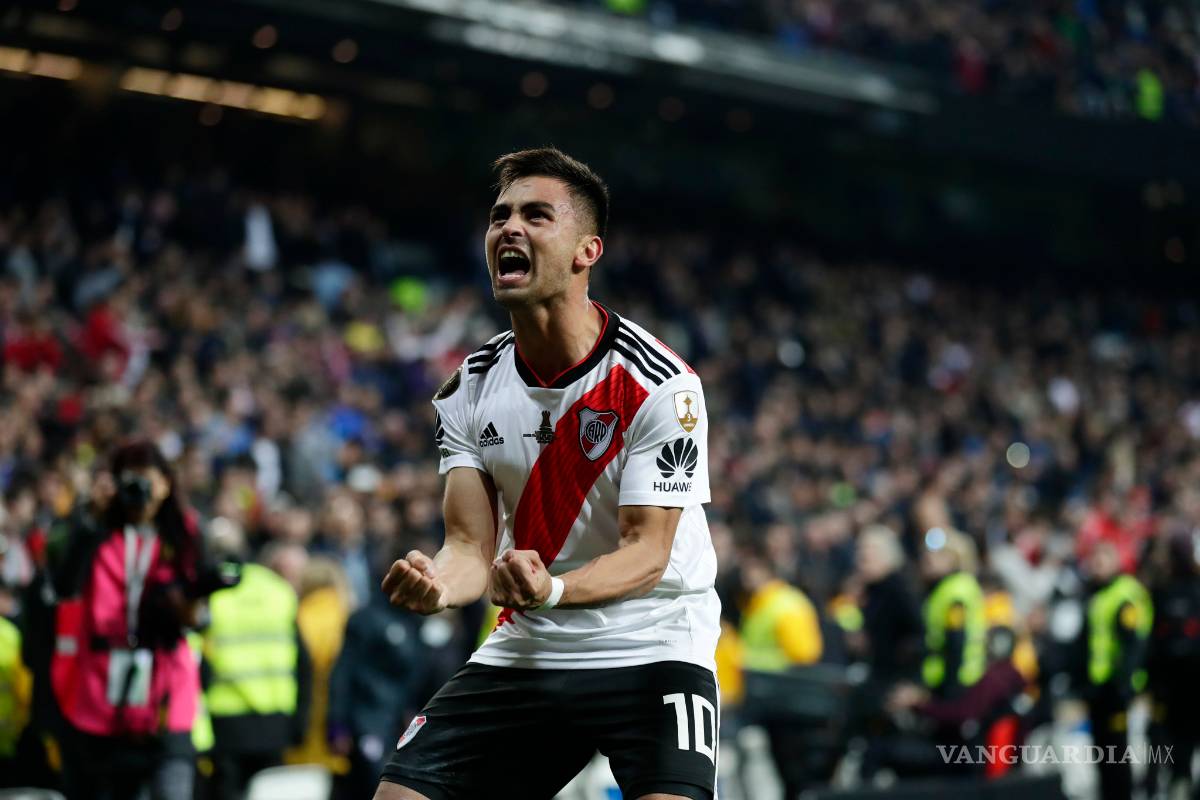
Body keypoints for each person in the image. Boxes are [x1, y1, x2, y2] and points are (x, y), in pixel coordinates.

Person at [375, 148, 720, 800]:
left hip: (653, 639)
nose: (510, 227)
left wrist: (552, 590)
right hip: (534, 643)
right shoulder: (468, 388)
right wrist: (438, 585)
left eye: (536, 216)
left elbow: (648, 553)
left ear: (586, 251)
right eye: (500, 215)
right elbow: (471, 548)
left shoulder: (658, 385)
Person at [47, 440, 239, 800]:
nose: (139, 494)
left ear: (167, 484)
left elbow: (199, 619)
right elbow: (63, 588)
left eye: (147, 482)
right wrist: (88, 518)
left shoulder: (185, 535)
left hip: (166, 693)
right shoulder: (94, 530)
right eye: (129, 483)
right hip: (101, 695)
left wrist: (191, 599)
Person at [199, 522, 311, 799]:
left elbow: (195, 663)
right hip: (275, 722)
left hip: (224, 723)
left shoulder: (206, 591)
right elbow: (303, 663)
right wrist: (300, 723)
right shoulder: (277, 589)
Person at [1083, 539, 1152, 800]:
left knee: (1117, 753)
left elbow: (1133, 645)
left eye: (1104, 557)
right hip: (1099, 687)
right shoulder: (1098, 593)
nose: (1097, 563)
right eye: (1094, 557)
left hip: (1117, 689)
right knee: (1102, 753)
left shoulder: (1125, 594)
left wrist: (1124, 685)